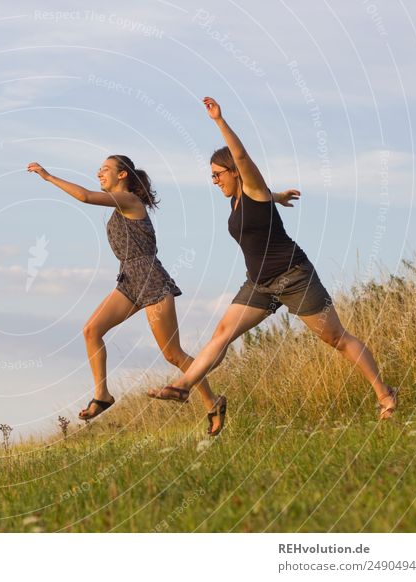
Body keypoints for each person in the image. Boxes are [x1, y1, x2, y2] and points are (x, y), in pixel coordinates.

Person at [147, 97, 399, 431]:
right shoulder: (241, 198)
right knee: (222, 334)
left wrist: (219, 121)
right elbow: (262, 201)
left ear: (235, 173)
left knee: (337, 338)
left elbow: (242, 158)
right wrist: (277, 196)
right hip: (259, 285)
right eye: (211, 177)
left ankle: (385, 394)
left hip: (295, 277)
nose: (215, 181)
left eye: (217, 175)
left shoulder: (250, 185)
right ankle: (183, 386)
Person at [27, 156, 293, 434]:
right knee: (91, 330)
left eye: (105, 169)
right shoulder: (120, 204)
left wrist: (48, 177)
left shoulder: (128, 200)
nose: (99, 173)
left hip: (151, 281)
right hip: (130, 280)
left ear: (122, 176)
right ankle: (103, 395)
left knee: (173, 354)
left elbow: (84, 197)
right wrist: (275, 196)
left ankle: (213, 402)